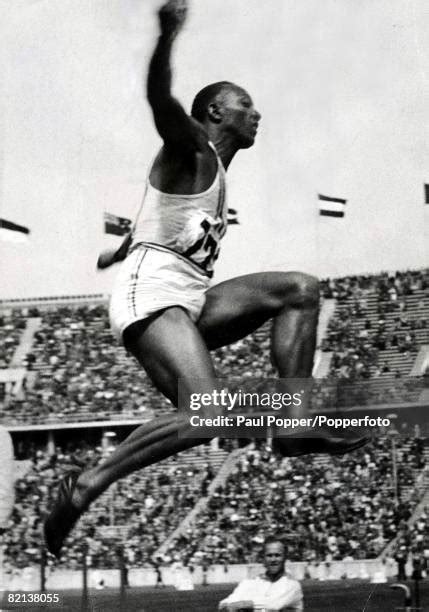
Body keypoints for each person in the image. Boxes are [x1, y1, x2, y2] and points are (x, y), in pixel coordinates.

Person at [44, 0, 366, 558]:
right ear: (215, 112)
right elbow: (159, 101)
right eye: (246, 105)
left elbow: (163, 219)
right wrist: (167, 35)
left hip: (186, 294)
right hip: (153, 296)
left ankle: (295, 422)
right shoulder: (191, 146)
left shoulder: (214, 176)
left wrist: (124, 243)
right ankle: (87, 486)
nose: (256, 113)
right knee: (209, 412)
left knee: (299, 289)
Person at [218, 536, 303, 611]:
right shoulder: (251, 582)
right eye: (269, 555)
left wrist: (242, 605)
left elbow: (273, 605)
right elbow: (226, 602)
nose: (273, 560)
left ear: (285, 557)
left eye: (277, 555)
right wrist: (227, 606)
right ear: (263, 558)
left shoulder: (292, 585)